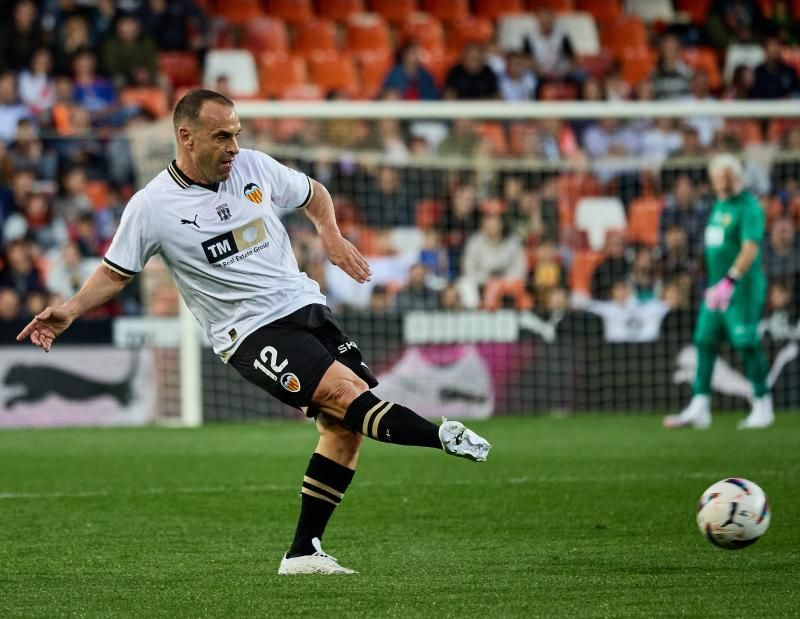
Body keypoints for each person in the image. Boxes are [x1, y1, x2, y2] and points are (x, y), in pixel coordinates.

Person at [16, 89, 491, 574]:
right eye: (222, 136)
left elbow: (314, 194)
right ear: (187, 137)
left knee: (343, 429)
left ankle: (304, 552)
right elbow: (116, 272)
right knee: (345, 396)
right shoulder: (152, 206)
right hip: (249, 332)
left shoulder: (255, 168)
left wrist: (329, 232)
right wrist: (71, 310)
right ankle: (442, 436)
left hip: (305, 306)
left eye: (236, 134)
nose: (233, 147)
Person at [664, 154, 773, 430]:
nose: (722, 182)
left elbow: (750, 248)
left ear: (736, 177)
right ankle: (700, 405)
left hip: (741, 288)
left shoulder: (749, 207)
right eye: (718, 177)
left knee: (746, 342)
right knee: (704, 340)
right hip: (716, 289)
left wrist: (731, 279)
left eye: (727, 176)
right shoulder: (718, 205)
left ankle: (763, 404)